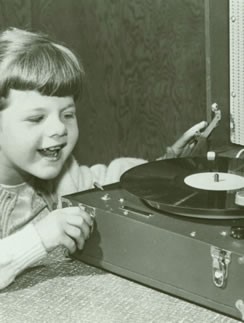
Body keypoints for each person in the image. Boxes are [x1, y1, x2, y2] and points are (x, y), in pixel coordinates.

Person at [0, 27, 207, 289]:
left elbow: (111, 181)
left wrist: (169, 164)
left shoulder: (62, 172)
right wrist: (41, 237)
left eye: (67, 114)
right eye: (36, 118)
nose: (59, 129)